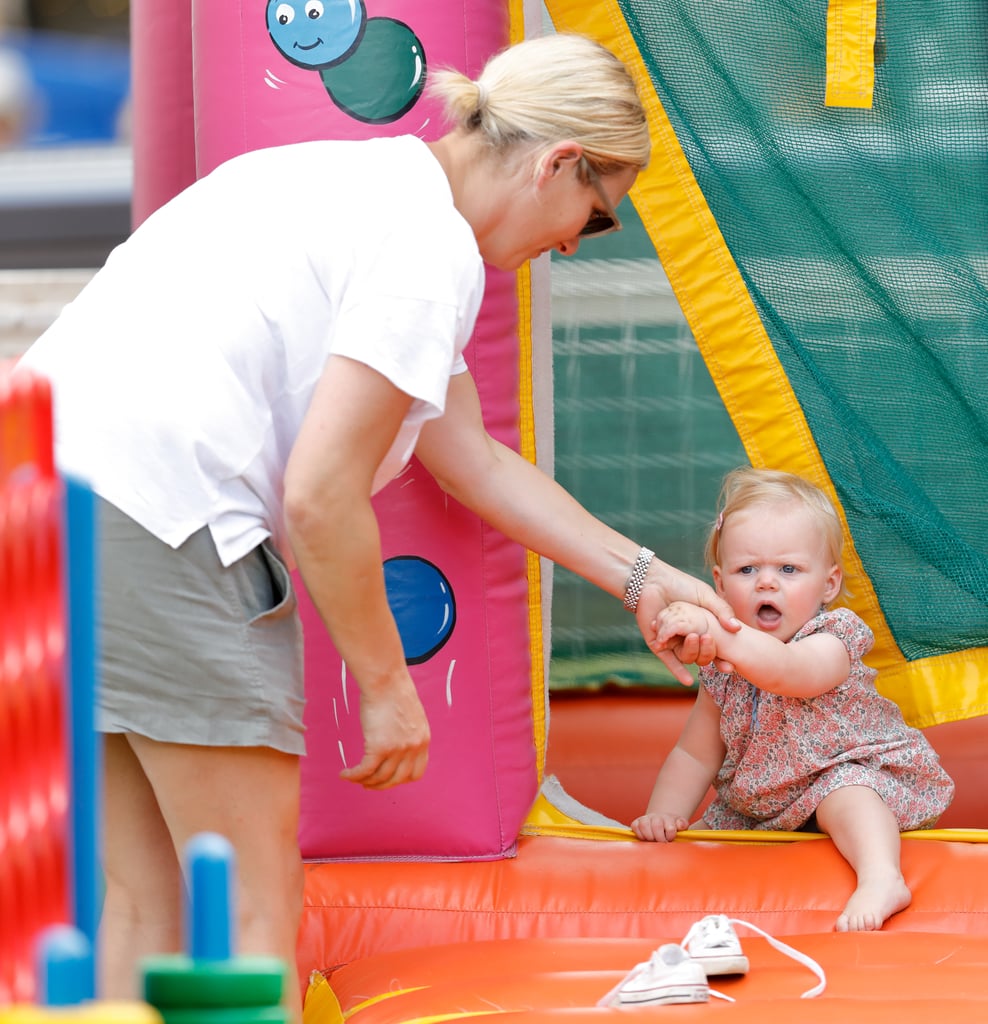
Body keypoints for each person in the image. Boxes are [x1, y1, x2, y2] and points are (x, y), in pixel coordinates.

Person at [16, 33, 739, 1020]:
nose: (573, 242)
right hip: (166, 511)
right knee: (254, 907)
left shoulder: (359, 189)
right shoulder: (425, 252)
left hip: (42, 495)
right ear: (557, 164)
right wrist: (389, 685)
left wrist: (643, 576)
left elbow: (471, 458)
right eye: (597, 214)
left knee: (149, 898)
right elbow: (320, 493)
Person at [633, 467, 954, 933]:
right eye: (748, 570)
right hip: (767, 804)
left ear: (828, 583)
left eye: (788, 569)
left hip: (845, 775)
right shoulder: (723, 672)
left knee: (848, 791)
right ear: (719, 586)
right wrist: (666, 813)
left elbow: (788, 673)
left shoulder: (834, 638)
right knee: (706, 837)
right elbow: (694, 753)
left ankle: (882, 877)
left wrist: (719, 637)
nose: (767, 583)